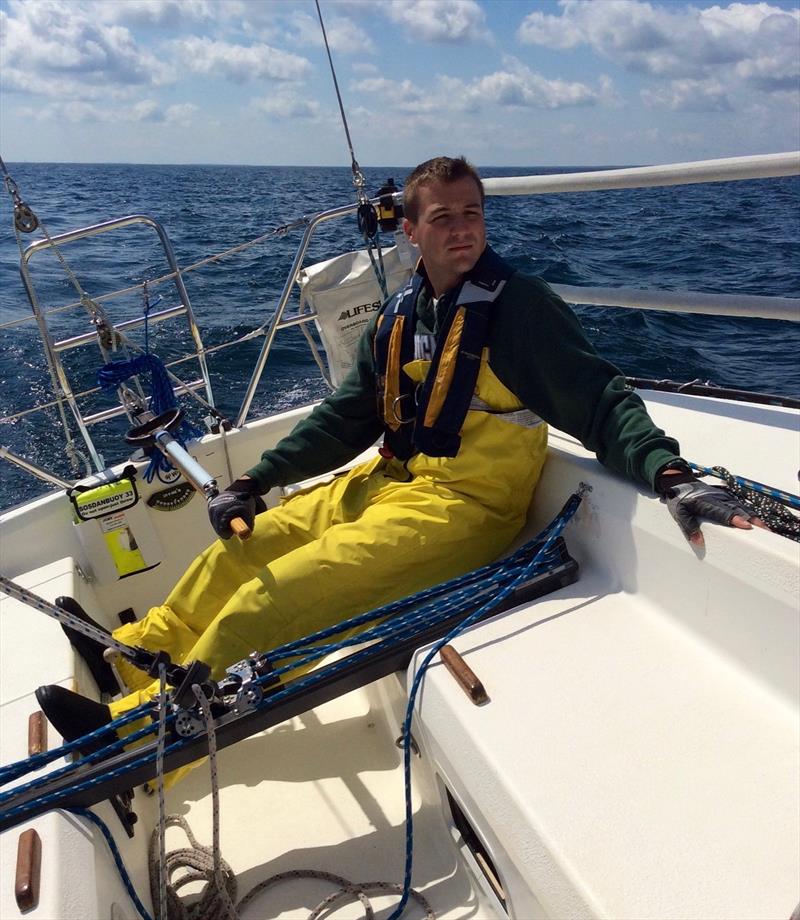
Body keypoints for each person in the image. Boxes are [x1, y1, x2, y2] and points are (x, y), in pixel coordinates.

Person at [35, 156, 762, 755]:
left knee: (274, 597)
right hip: (388, 483)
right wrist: (261, 479)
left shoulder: (519, 309)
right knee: (235, 554)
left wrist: (670, 474)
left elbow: (599, 399)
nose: (461, 230)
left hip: (465, 510)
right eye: (442, 218)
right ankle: (129, 655)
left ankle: (140, 737)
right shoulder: (402, 314)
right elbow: (349, 414)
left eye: (472, 214)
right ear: (409, 232)